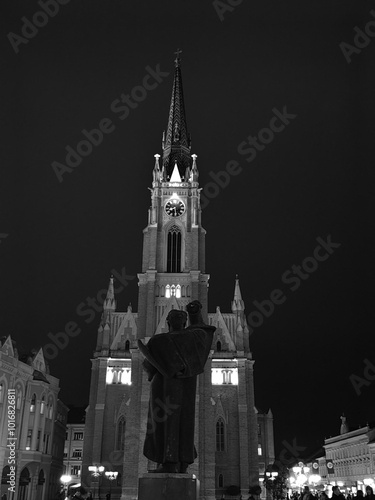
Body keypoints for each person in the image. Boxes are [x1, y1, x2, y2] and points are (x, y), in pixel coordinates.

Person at [139, 301, 215, 474]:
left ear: (167, 322)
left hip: (165, 389)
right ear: (184, 322)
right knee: (185, 422)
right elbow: (202, 334)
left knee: (166, 422)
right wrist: (195, 314)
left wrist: (157, 367)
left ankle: (169, 462)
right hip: (186, 391)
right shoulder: (191, 338)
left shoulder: (159, 340)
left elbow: (148, 367)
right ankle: (182, 462)